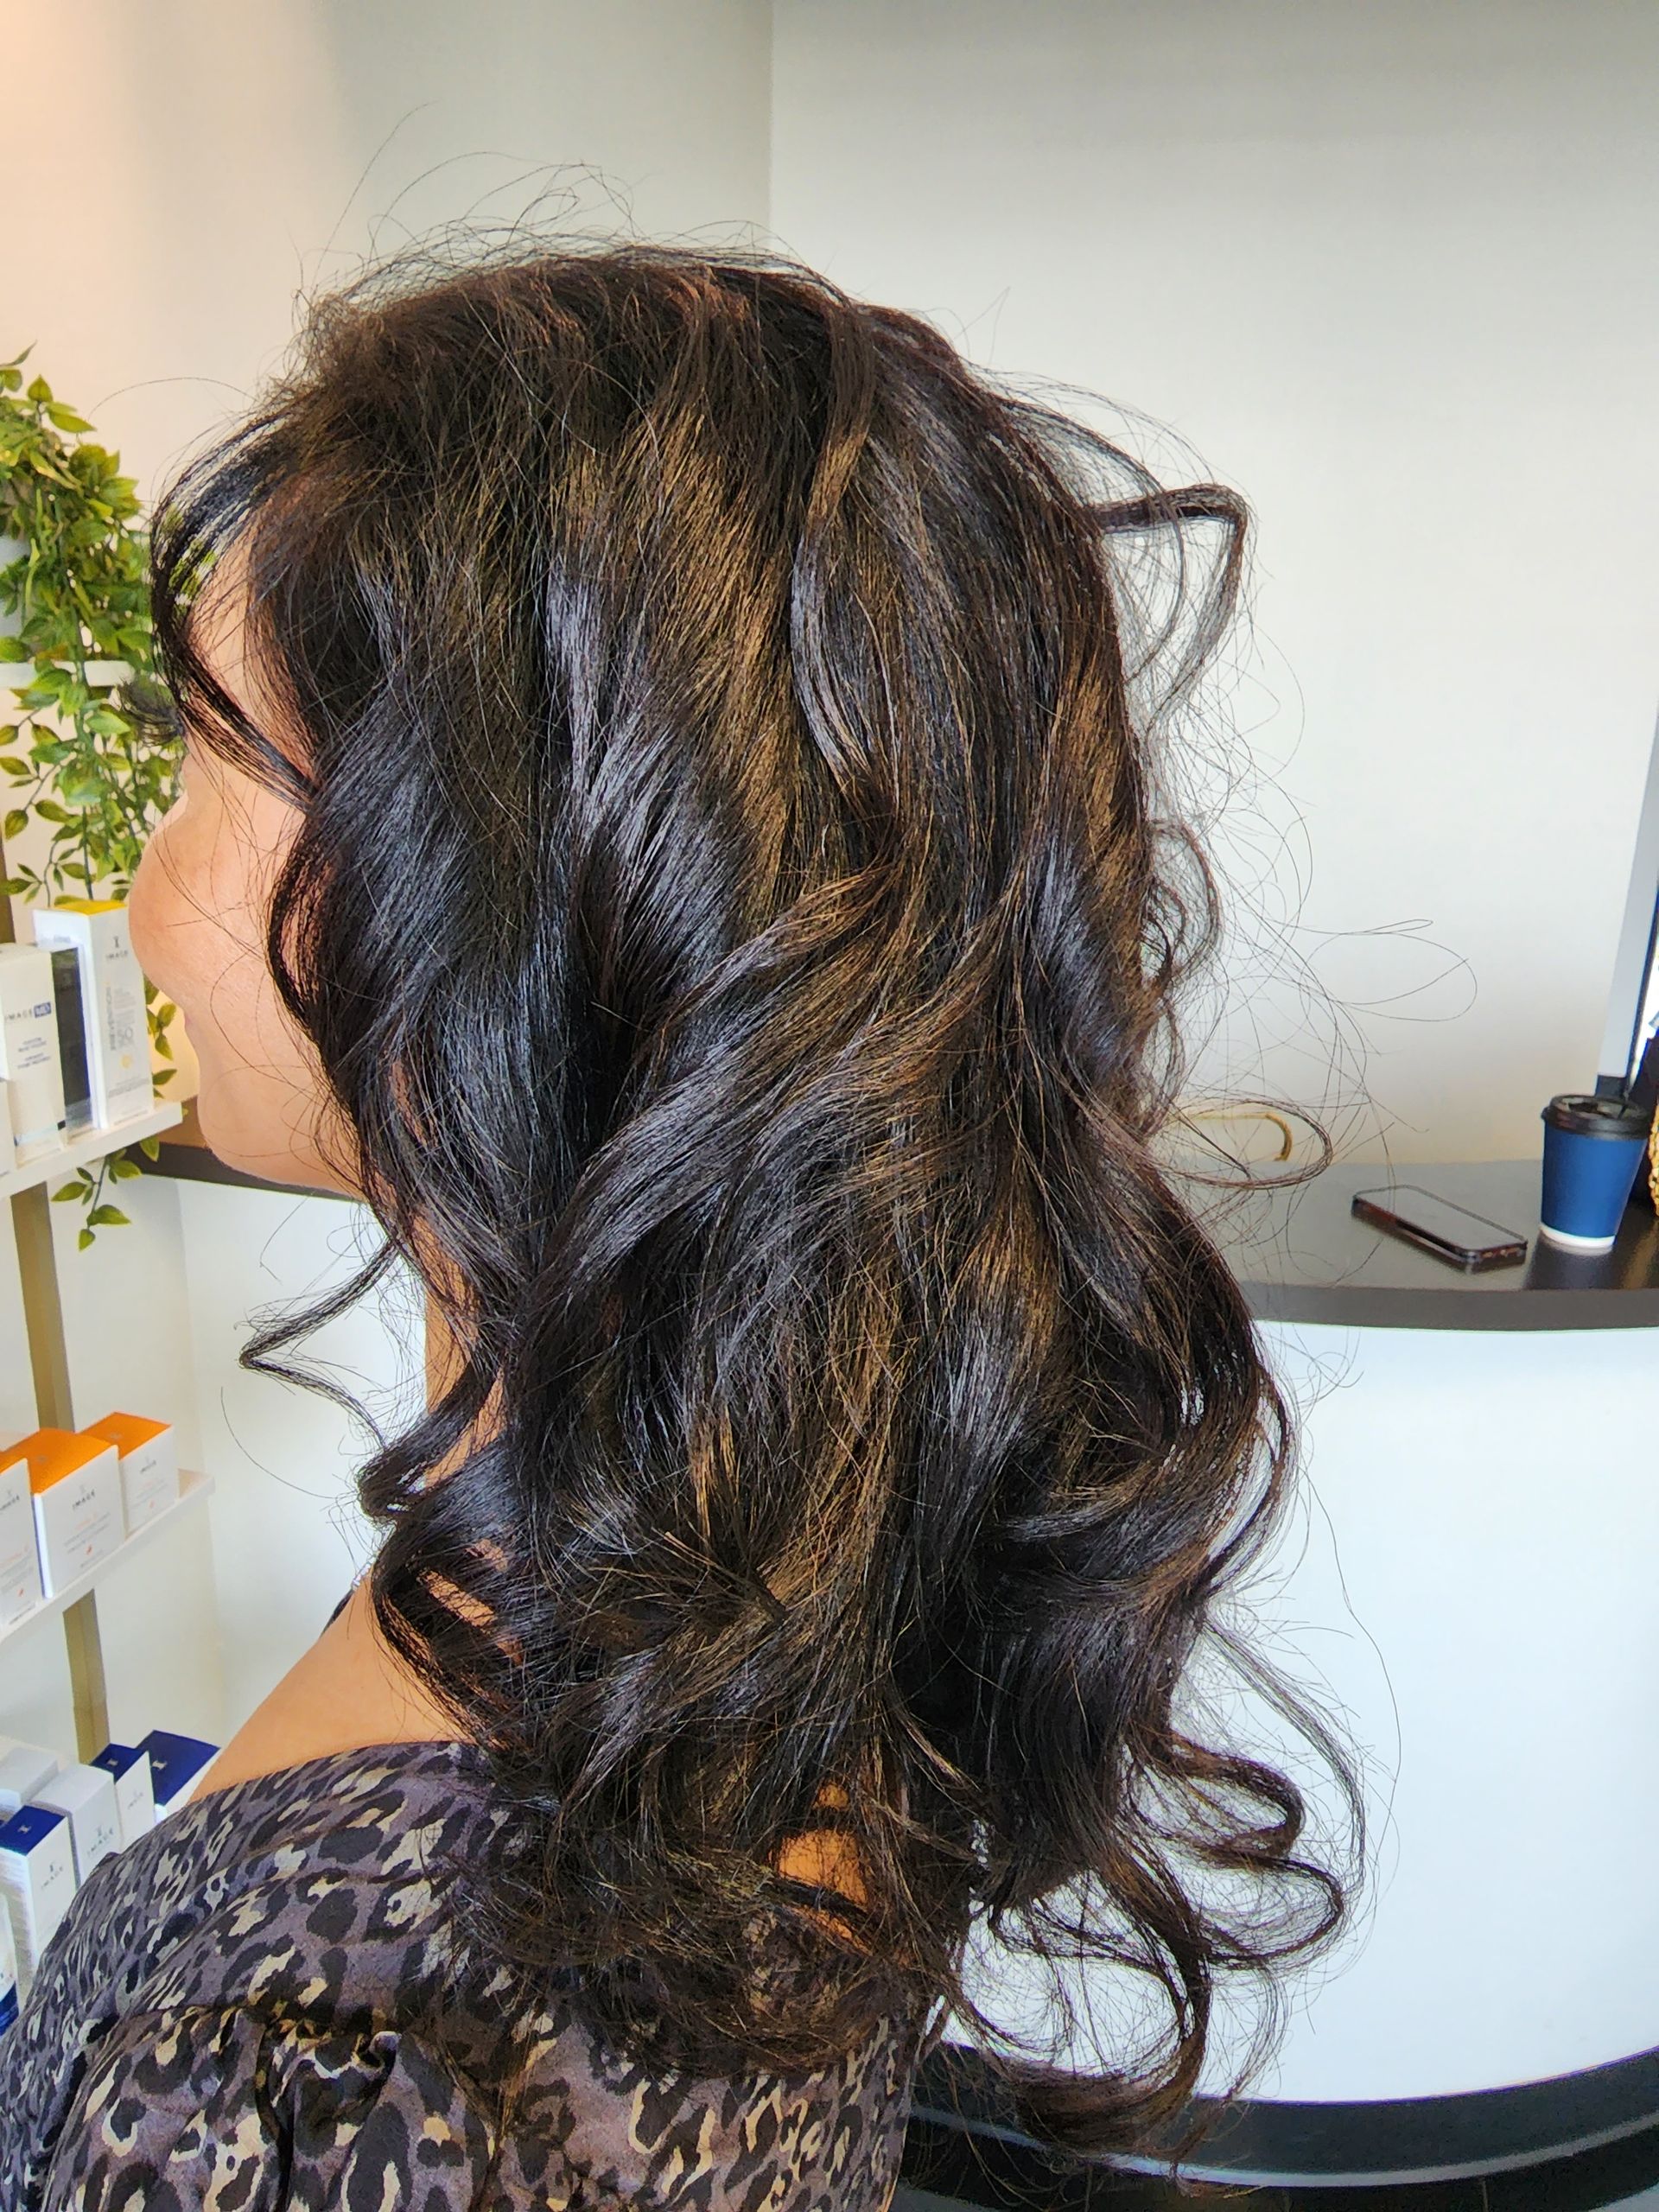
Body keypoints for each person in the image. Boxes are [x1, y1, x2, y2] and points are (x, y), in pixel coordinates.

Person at [0, 238, 1357, 2209]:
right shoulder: (786, 1535)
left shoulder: (311, 2083)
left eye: (206, 763)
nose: (139, 893)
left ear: (501, 898)